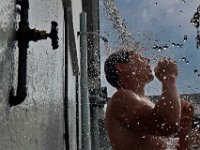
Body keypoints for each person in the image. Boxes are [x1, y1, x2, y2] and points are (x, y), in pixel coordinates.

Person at [104, 50, 198, 150]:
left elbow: (170, 144)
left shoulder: (144, 105)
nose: (147, 59)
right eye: (139, 57)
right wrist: (168, 77)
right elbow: (167, 124)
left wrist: (184, 129)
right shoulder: (121, 98)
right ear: (121, 67)